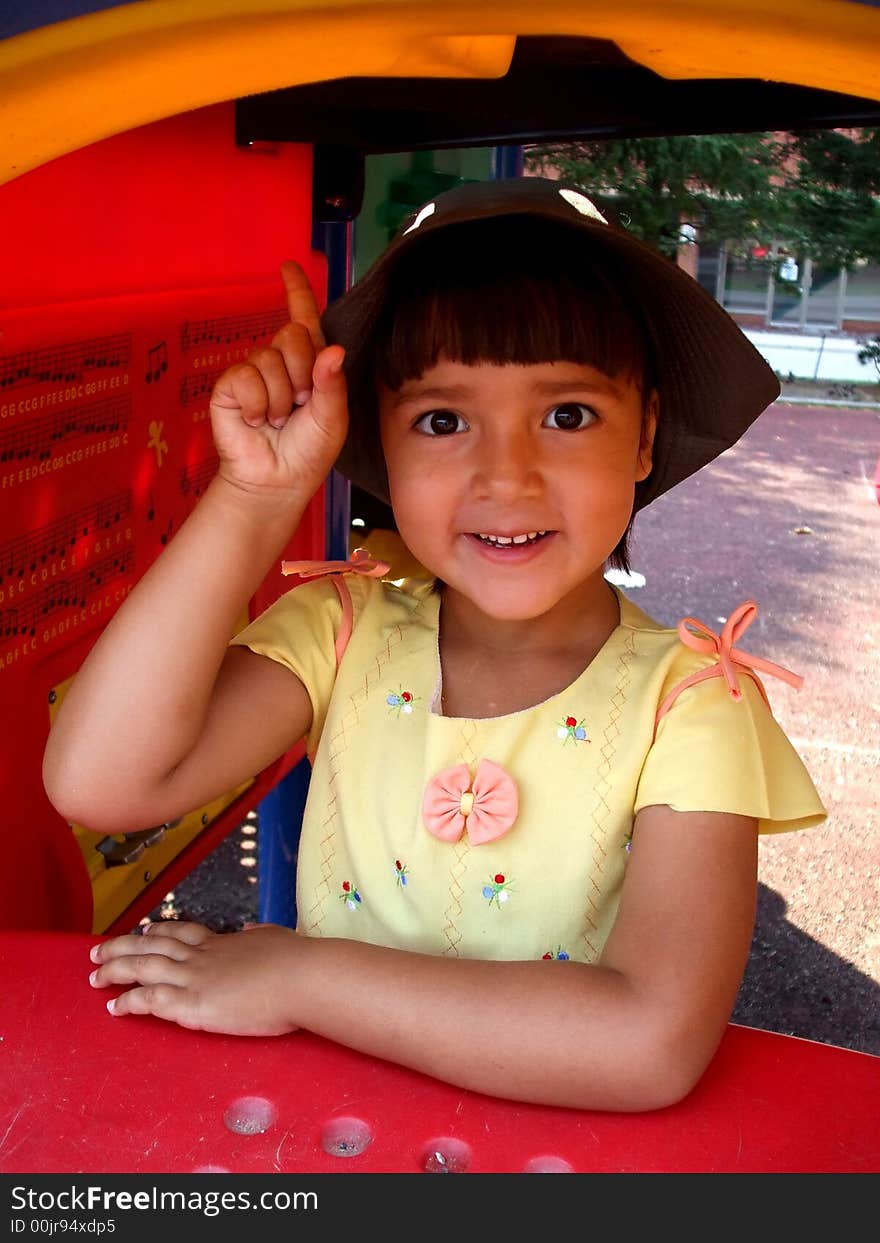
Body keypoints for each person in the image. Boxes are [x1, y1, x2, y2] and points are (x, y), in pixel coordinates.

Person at [43, 178, 826, 1112]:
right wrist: (255, 500)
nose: (507, 473)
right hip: (327, 1138)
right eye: (443, 420)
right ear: (383, 439)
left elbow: (647, 1042)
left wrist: (295, 976)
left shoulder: (694, 705)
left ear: (645, 433)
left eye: (567, 414)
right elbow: (101, 780)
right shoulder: (343, 628)